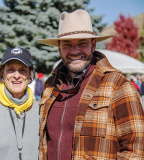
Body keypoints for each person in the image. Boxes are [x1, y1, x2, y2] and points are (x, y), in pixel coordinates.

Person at [38, 9, 144, 160]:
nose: (75, 51)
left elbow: (136, 151)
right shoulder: (50, 86)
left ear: (93, 45)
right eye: (67, 44)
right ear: (59, 47)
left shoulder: (119, 86)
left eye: (82, 43)